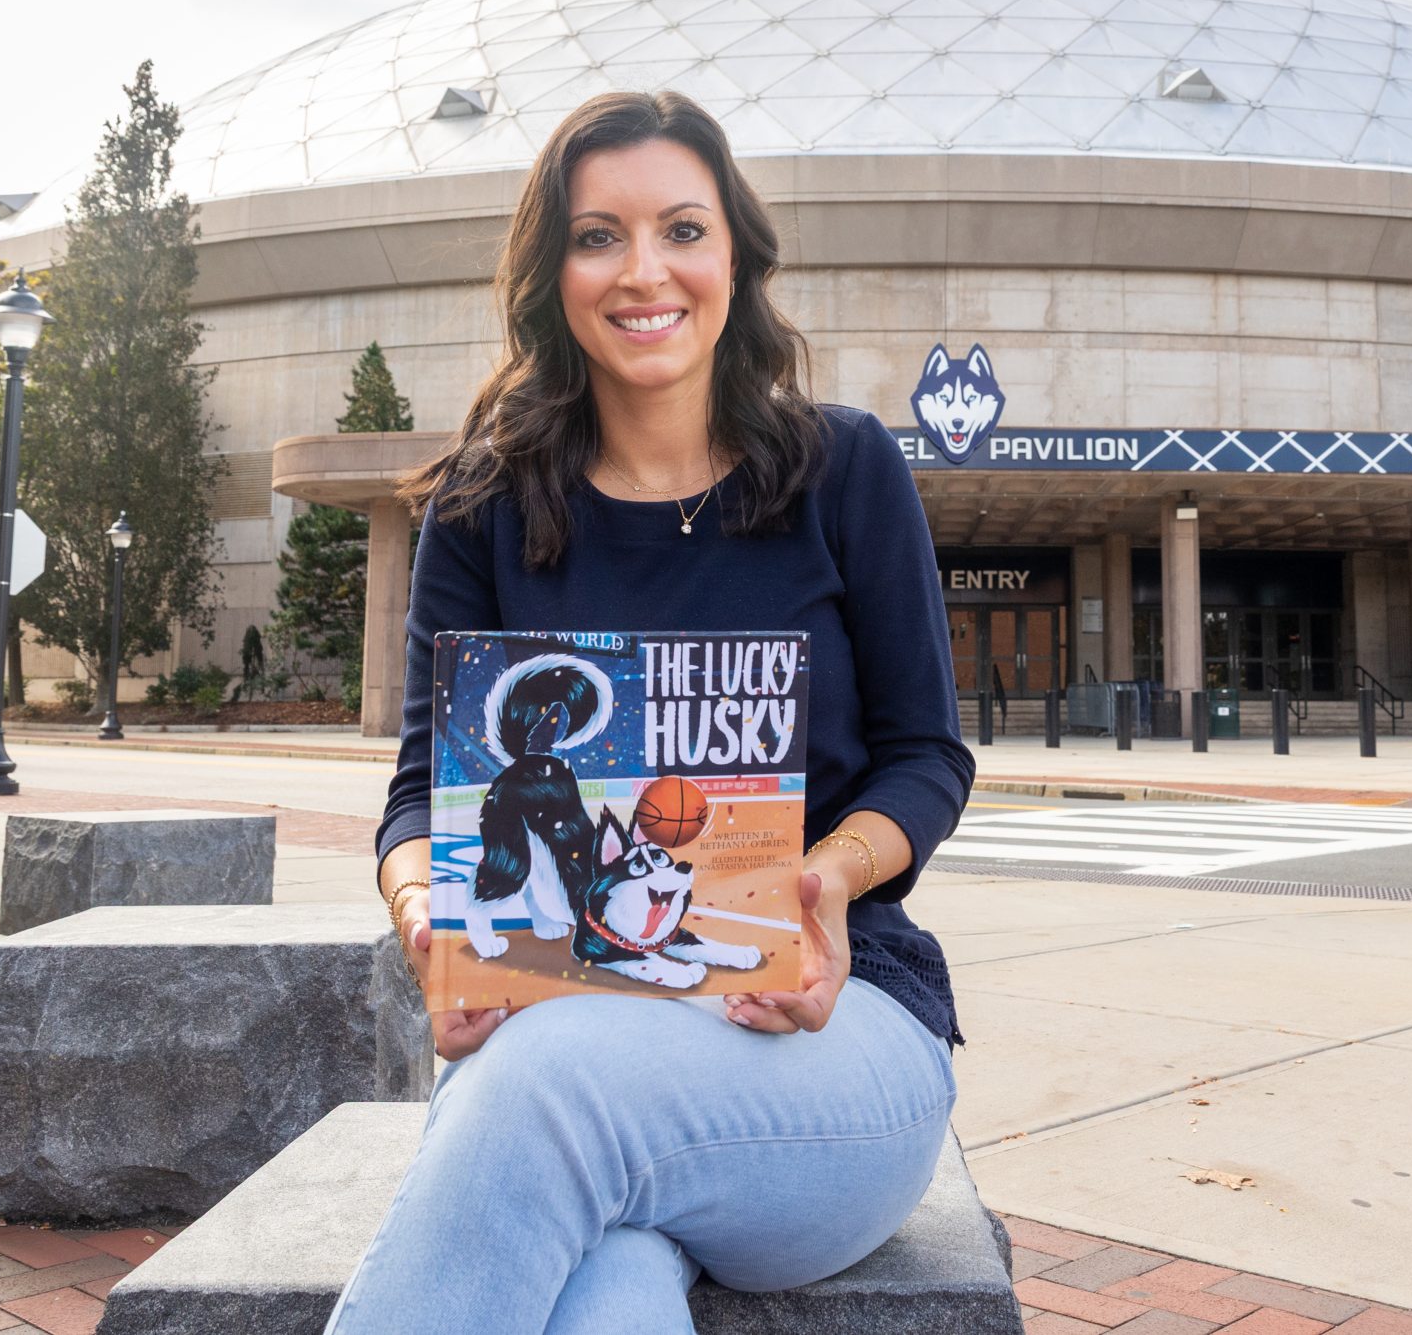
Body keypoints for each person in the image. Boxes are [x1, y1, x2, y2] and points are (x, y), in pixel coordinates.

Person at [331, 91, 975, 1335]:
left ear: (734, 253)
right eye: (596, 237)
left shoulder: (843, 468)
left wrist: (827, 884)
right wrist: (426, 915)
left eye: (682, 228)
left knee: (546, 1091)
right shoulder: (482, 507)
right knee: (604, 1283)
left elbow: (926, 759)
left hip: (820, 1030)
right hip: (561, 1020)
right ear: (551, 275)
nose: (644, 272)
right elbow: (420, 793)